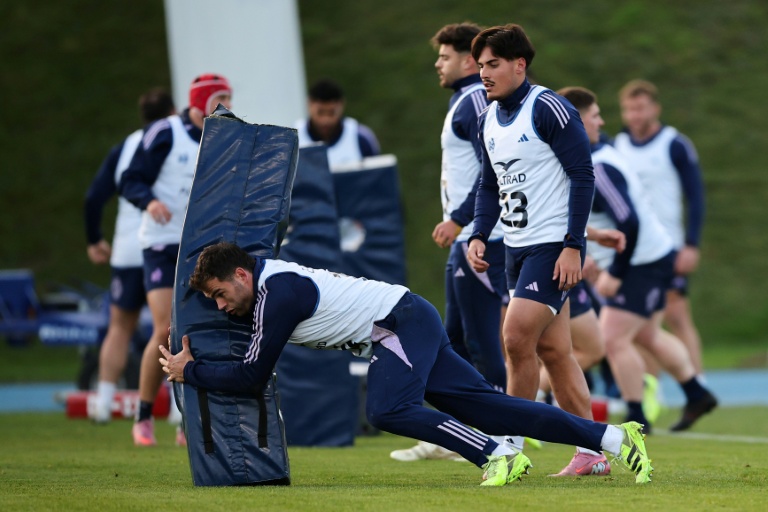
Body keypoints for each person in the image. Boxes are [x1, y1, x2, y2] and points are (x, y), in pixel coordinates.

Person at [159, 241, 654, 485]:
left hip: (396, 324)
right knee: (493, 408)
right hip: (406, 317)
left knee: (387, 409)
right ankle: (612, 437)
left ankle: (497, 455)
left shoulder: (276, 292)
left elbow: (251, 376)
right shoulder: (267, 283)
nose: (222, 307)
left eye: (221, 294)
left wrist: (189, 372)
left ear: (242, 274)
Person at [466, 24, 608, 476]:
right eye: (481, 65)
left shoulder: (548, 107)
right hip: (516, 249)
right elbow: (490, 184)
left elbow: (583, 175)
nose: (483, 74)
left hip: (551, 246)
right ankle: (593, 452)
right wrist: (478, 233)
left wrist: (574, 246)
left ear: (519, 65)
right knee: (555, 353)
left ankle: (508, 449)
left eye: (493, 64)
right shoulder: (488, 117)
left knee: (514, 338)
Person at [559, 86, 716, 433]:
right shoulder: (595, 154)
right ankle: (696, 392)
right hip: (648, 255)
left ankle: (637, 420)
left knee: (613, 340)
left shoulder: (598, 164)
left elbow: (627, 220)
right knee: (646, 335)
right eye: (595, 114)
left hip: (641, 261)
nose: (604, 120)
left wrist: (615, 270)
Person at [390, 22, 511, 463]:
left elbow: (494, 166)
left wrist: (460, 220)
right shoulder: (464, 100)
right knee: (454, 342)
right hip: (467, 239)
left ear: (465, 59)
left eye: (444, 57)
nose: (437, 64)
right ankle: (455, 435)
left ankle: (502, 434)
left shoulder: (476, 100)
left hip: (484, 237)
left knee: (481, 342)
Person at [119, 73, 233, 446]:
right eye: (220, 98)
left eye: (229, 98)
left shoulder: (226, 136)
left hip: (202, 245)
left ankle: (190, 421)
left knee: (199, 328)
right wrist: (149, 202)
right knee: (164, 326)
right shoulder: (165, 132)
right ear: (200, 103)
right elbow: (130, 178)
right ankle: (144, 415)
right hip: (162, 244)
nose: (227, 106)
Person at [84, 88, 176, 423]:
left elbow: (94, 197)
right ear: (172, 112)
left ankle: (103, 405)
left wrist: (95, 239)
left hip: (125, 249)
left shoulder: (124, 147)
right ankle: (176, 409)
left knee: (119, 327)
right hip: (162, 246)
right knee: (169, 327)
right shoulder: (176, 139)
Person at [614, 80, 706, 379]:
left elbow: (696, 196)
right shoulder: (619, 146)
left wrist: (691, 244)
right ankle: (650, 387)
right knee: (637, 323)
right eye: (629, 109)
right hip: (633, 248)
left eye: (640, 108)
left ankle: (697, 379)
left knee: (677, 315)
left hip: (670, 245)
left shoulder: (674, 143)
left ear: (655, 108)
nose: (635, 115)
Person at [295, 79, 380, 169]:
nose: (325, 120)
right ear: (309, 104)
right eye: (320, 112)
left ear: (341, 105)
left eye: (331, 113)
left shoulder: (361, 138)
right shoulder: (293, 138)